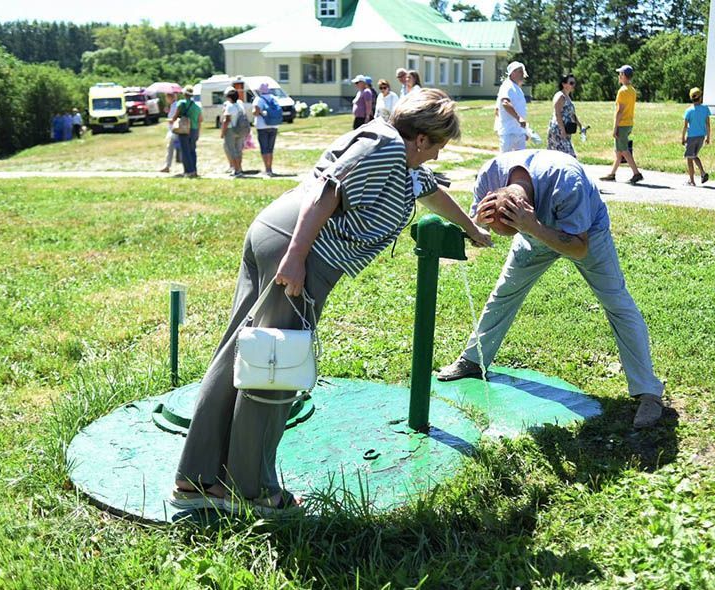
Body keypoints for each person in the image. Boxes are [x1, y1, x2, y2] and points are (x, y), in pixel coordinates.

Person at [171, 89, 493, 515]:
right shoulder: (387, 148)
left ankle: (198, 478)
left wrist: (472, 228)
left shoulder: (395, 154)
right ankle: (249, 490)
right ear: (421, 139)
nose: (435, 157)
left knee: (242, 352)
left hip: (278, 233)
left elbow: (429, 191)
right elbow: (328, 191)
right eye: (438, 146)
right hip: (300, 249)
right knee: (275, 368)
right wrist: (297, 257)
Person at [437, 149, 665, 429]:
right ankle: (473, 361)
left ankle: (649, 392)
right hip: (532, 231)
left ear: (527, 207)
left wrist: (532, 226)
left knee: (616, 302)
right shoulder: (489, 176)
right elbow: (477, 227)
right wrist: (478, 229)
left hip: (585, 234)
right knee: (504, 294)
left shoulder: (567, 181)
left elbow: (580, 248)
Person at [600, 65, 643, 184]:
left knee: (623, 149)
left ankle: (636, 173)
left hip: (622, 124)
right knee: (619, 151)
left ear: (624, 75)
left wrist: (615, 128)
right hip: (629, 122)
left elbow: (620, 110)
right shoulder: (632, 90)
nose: (619, 76)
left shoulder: (622, 91)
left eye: (620, 74)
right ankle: (612, 174)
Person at [495, 61, 529, 153]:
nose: (522, 74)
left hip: (519, 132)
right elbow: (505, 103)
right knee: (505, 160)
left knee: (520, 162)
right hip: (509, 132)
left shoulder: (517, 88)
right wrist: (518, 118)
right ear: (513, 72)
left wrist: (525, 131)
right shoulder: (507, 86)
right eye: (520, 72)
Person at [681, 87, 711, 186]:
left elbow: (685, 126)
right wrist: (708, 137)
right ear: (700, 97)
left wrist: (682, 138)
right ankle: (699, 175)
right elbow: (707, 124)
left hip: (691, 137)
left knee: (690, 158)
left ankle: (693, 179)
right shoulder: (705, 109)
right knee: (693, 155)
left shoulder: (689, 111)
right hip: (701, 136)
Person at [171, 85, 203, 178]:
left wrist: (173, 119)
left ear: (184, 94)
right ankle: (194, 170)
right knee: (192, 150)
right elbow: (200, 119)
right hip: (194, 129)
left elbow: (175, 116)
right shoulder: (197, 106)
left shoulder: (181, 103)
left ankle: (188, 171)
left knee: (185, 151)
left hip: (184, 129)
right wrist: (198, 132)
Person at [546, 74, 581, 158]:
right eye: (571, 83)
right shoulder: (560, 96)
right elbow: (558, 114)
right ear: (564, 84)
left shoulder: (567, 96)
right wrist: (562, 130)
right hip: (558, 129)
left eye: (574, 83)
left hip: (566, 129)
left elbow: (571, 113)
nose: (573, 85)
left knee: (563, 156)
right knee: (568, 156)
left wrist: (579, 124)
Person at [254, 82, 282, 176]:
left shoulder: (258, 99)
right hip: (274, 126)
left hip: (262, 126)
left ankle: (267, 169)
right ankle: (270, 168)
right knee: (270, 149)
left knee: (264, 149)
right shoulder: (274, 98)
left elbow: (256, 112)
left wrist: (259, 113)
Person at [221, 86, 248, 178]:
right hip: (241, 129)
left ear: (229, 97)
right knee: (239, 150)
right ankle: (239, 168)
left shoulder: (229, 106)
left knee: (232, 151)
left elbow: (226, 120)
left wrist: (222, 132)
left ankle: (236, 170)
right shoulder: (240, 105)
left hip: (231, 130)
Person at [160, 92, 180, 173]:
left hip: (175, 130)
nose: (166, 99)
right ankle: (167, 166)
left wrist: (168, 120)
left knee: (171, 148)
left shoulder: (175, 105)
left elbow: (174, 118)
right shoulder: (173, 105)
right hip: (173, 130)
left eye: (166, 97)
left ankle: (167, 166)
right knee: (172, 148)